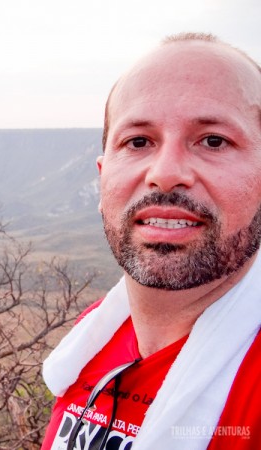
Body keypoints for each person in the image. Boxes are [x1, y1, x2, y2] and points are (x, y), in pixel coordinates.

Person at [41, 32, 261, 450]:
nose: (166, 172)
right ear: (103, 176)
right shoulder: (93, 338)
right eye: (138, 141)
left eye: (214, 140)